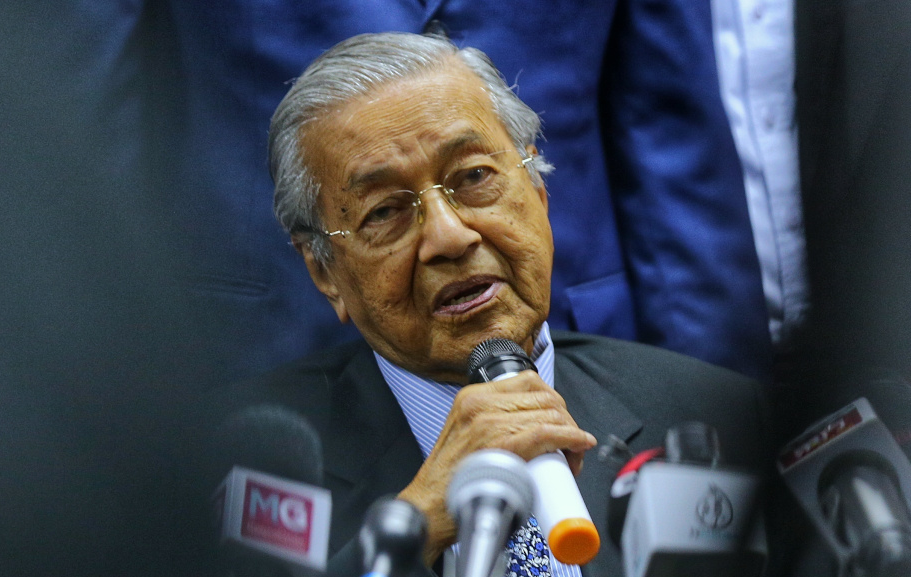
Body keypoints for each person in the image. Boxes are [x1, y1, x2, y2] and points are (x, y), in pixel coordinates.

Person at [205, 32, 785, 577]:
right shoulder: (235, 466)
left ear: (538, 191)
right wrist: (419, 520)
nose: (449, 236)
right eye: (385, 212)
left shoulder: (719, 415)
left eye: (475, 177)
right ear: (324, 272)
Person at [169, 1, 773, 385]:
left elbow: (671, 130)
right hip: (269, 341)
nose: (448, 237)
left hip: (579, 324)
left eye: (474, 174)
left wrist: (716, 403)